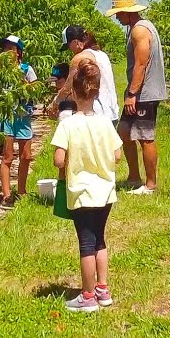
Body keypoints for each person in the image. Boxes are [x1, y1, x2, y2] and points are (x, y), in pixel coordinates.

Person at [51, 60, 122, 313]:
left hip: (81, 192)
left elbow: (59, 159)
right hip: (106, 191)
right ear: (97, 91)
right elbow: (117, 156)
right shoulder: (104, 122)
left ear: (74, 91)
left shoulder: (68, 124)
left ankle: (88, 295)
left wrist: (70, 161)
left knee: (86, 244)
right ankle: (103, 289)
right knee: (100, 240)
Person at [104, 0, 167, 195]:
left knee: (145, 136)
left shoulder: (140, 30)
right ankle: (133, 177)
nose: (117, 17)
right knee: (124, 132)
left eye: (119, 13)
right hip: (139, 91)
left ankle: (150, 184)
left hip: (145, 93)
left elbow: (141, 63)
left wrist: (132, 93)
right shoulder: (136, 28)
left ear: (128, 12)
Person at [0, 35, 37, 206]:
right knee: (7, 156)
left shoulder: (27, 69)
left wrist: (24, 84)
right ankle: (6, 194)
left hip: (23, 116)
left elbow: (35, 89)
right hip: (7, 116)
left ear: (19, 52)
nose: (7, 52)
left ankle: (21, 190)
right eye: (5, 49)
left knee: (26, 156)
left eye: (11, 49)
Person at [57, 25, 119, 123]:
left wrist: (55, 103)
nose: (70, 50)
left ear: (75, 42)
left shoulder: (80, 58)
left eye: (69, 46)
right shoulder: (102, 54)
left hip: (95, 114)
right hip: (111, 113)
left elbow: (67, 88)